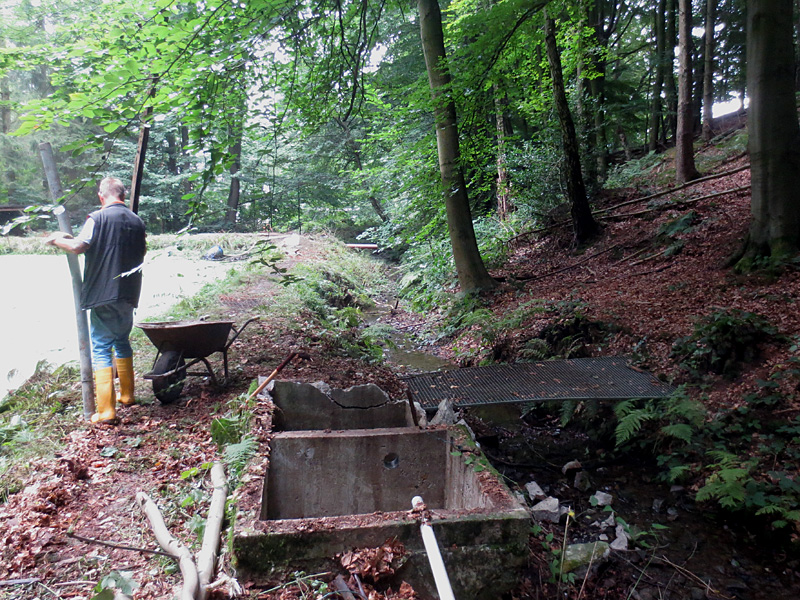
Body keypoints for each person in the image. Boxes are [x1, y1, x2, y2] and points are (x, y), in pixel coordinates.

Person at [46, 177, 147, 424]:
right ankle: (127, 395)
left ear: (101, 196)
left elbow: (79, 246)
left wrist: (54, 239)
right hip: (129, 292)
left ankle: (106, 411)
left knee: (101, 346)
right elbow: (142, 251)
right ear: (122, 195)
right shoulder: (137, 221)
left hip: (103, 293)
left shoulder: (97, 218)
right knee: (122, 340)